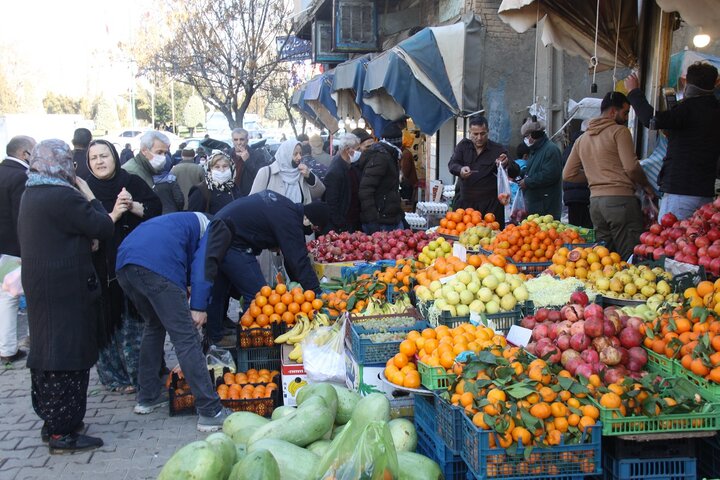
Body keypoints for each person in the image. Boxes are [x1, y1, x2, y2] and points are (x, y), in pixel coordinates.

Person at [18, 139, 115, 453]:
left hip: (41, 286)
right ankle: (64, 430)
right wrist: (89, 195)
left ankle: (53, 422)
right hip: (66, 289)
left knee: (47, 349)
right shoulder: (63, 196)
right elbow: (102, 226)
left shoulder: (31, 192)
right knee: (68, 353)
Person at [115, 212, 230, 432]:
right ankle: (210, 411)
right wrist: (198, 306)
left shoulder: (180, 222)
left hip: (125, 265)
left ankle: (147, 397)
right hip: (156, 266)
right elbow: (203, 264)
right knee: (186, 337)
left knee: (154, 325)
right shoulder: (215, 225)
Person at [85, 139, 162, 393]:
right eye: (94, 157)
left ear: (114, 157)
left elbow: (155, 209)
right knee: (106, 321)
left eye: (104, 155)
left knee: (135, 322)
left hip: (132, 263)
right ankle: (114, 377)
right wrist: (112, 215)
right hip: (100, 267)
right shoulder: (84, 190)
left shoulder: (130, 182)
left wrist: (132, 206)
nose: (99, 161)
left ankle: (141, 375)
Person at [203, 192, 330, 345]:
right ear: (307, 219)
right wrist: (316, 291)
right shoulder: (289, 220)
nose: (312, 232)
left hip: (220, 231)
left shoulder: (287, 208)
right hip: (232, 242)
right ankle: (250, 344)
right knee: (259, 296)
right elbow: (298, 260)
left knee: (219, 289)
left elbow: (293, 256)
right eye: (314, 228)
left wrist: (298, 285)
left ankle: (215, 334)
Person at [563, 91, 654, 260]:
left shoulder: (582, 139)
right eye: (625, 112)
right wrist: (647, 186)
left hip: (596, 205)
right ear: (613, 111)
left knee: (604, 258)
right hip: (620, 202)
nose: (626, 118)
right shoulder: (619, 132)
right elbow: (631, 168)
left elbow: (568, 174)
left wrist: (595, 177)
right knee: (630, 256)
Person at [625, 63, 720, 220]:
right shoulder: (715, 111)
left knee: (671, 240)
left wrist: (634, 92)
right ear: (716, 83)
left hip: (680, 192)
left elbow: (651, 119)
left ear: (685, 82)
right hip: (705, 192)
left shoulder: (687, 109)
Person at [0, 135, 36, 364]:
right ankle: (8, 347)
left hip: (2, 249)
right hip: (15, 249)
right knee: (15, 297)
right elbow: (22, 218)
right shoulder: (21, 177)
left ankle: (7, 346)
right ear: (25, 154)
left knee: (5, 297)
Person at [448, 115, 519, 227]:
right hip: (465, 204)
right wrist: (460, 170)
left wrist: (506, 163)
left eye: (483, 133)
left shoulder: (497, 149)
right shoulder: (463, 146)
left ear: (488, 132)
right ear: (469, 133)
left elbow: (516, 171)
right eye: (475, 134)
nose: (479, 137)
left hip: (490, 206)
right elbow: (452, 164)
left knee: (490, 237)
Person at [357, 124, 408, 233]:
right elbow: (365, 190)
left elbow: (390, 190)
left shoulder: (390, 155)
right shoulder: (381, 158)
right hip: (381, 221)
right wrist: (373, 221)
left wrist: (401, 216)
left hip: (389, 217)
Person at [250, 139, 325, 204]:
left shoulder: (302, 172)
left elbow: (319, 193)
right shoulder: (266, 172)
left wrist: (310, 177)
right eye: (295, 154)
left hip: (298, 219)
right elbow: (252, 201)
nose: (299, 157)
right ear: (285, 155)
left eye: (300, 153)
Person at [518, 117, 563, 219]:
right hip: (535, 204)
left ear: (533, 135)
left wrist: (528, 182)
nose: (525, 140)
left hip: (546, 206)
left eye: (526, 136)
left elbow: (550, 175)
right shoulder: (535, 151)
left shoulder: (550, 150)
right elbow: (532, 170)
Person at [323, 133, 361, 233]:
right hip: (344, 225)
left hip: (353, 221)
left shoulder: (351, 166)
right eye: (357, 149)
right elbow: (331, 204)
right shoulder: (335, 172)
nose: (359, 152)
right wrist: (343, 226)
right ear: (348, 149)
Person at [562, 122, 593, 228]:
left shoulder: (570, 147)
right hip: (583, 193)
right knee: (585, 228)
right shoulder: (586, 145)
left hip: (571, 195)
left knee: (574, 229)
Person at [230, 127, 270, 196]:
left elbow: (262, 176)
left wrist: (248, 160)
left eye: (242, 139)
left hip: (249, 195)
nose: (239, 143)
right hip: (231, 195)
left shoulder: (257, 155)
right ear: (232, 141)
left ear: (247, 140)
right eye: (236, 140)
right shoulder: (227, 154)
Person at [400, 132, 418, 205]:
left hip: (407, 184)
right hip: (408, 183)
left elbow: (405, 172)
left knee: (406, 204)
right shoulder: (405, 152)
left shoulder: (405, 154)